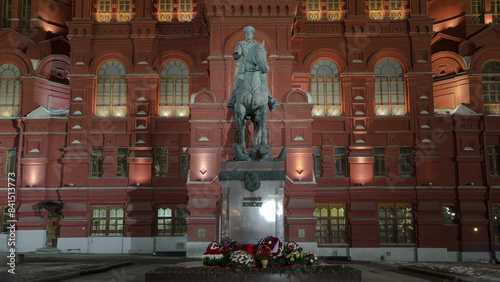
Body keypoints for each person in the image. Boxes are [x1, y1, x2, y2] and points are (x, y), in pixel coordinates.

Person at [226, 25, 278, 111]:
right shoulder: (240, 44)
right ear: (245, 34)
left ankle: (270, 100)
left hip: (256, 69)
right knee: (238, 81)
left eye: (250, 33)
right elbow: (237, 53)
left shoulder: (256, 45)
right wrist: (236, 55)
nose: (248, 34)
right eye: (246, 33)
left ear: (253, 34)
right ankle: (232, 100)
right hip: (244, 69)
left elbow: (261, 55)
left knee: (263, 81)